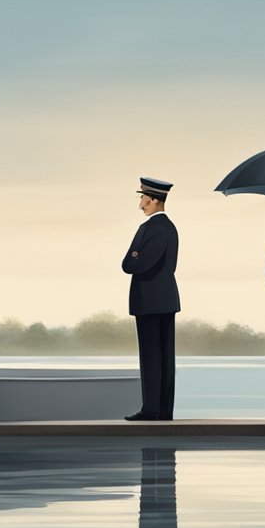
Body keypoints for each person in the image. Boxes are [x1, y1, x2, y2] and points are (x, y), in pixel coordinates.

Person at [122, 177, 180, 421]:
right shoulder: (171, 228)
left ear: (154, 199)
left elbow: (131, 264)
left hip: (148, 299)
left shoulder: (149, 228)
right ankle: (164, 409)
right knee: (165, 356)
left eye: (143, 198)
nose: (141, 203)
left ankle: (151, 409)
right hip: (166, 297)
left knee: (150, 356)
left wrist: (134, 257)